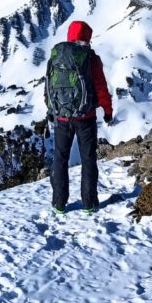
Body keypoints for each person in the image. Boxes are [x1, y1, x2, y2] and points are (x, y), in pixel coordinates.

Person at [45, 20, 113, 214]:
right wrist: (107, 111)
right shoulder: (91, 59)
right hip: (86, 117)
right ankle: (89, 203)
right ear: (88, 38)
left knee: (60, 159)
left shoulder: (56, 56)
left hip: (61, 117)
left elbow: (49, 85)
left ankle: (59, 203)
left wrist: (52, 109)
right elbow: (101, 89)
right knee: (88, 159)